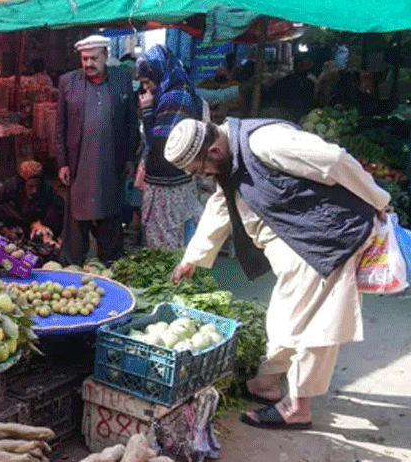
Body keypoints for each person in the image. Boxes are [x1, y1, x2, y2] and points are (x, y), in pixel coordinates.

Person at [165, 117, 391, 429]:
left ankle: (298, 407)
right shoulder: (228, 157)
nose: (202, 176)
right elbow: (222, 201)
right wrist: (191, 258)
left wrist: (379, 200)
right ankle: (266, 385)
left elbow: (334, 160)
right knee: (284, 316)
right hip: (298, 244)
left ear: (215, 150)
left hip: (325, 240)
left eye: (200, 169)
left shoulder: (266, 142)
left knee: (316, 326)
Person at [56, 34, 139, 266]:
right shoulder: (68, 82)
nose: (88, 64)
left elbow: (132, 122)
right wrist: (62, 161)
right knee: (76, 215)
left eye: (93, 58)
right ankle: (73, 263)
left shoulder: (122, 79)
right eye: (84, 59)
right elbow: (60, 125)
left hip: (110, 161)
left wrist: (130, 157)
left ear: (106, 56)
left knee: (110, 210)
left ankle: (110, 261)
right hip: (79, 162)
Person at [135, 45, 206, 250]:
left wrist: (148, 112)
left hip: (168, 187)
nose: (146, 89)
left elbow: (162, 147)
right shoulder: (179, 91)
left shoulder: (173, 99)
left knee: (166, 243)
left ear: (160, 72)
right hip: (180, 183)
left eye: (148, 82)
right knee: (181, 238)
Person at [0, 160, 64, 247]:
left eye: (37, 186)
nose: (35, 190)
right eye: (30, 186)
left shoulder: (46, 188)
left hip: (35, 227)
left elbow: (59, 209)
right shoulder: (9, 186)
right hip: (12, 224)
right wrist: (3, 229)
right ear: (22, 183)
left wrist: (43, 226)